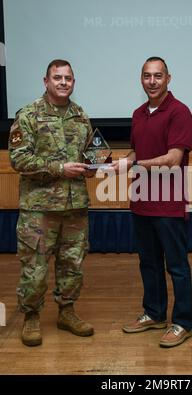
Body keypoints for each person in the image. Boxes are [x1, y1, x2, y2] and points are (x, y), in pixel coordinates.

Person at [8, 59, 95, 346]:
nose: (63, 82)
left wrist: (95, 165)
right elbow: (19, 159)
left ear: (73, 82)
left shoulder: (81, 116)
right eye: (57, 77)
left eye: (68, 78)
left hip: (75, 207)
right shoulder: (28, 115)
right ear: (45, 81)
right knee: (35, 269)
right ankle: (31, 316)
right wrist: (60, 169)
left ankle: (66, 311)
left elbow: (88, 155)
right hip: (39, 209)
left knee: (73, 265)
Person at [112, 56, 192, 347]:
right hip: (141, 200)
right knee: (148, 263)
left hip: (168, 203)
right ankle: (155, 313)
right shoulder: (137, 113)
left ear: (168, 78)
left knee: (177, 266)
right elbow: (136, 152)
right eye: (147, 76)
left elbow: (173, 160)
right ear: (141, 79)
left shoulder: (180, 112)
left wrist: (132, 166)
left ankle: (183, 322)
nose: (152, 81)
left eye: (158, 76)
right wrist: (120, 163)